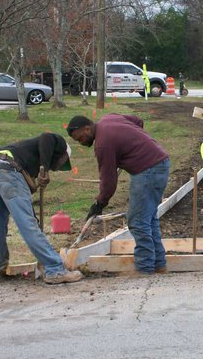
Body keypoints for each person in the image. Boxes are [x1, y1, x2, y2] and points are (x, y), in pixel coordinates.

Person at [66, 114, 170, 274]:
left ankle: (145, 268)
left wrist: (99, 203)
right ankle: (159, 265)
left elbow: (108, 181)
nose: (81, 142)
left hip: (148, 171)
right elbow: (138, 121)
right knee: (149, 219)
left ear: (86, 128)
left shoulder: (103, 145)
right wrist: (131, 144)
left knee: (137, 222)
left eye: (80, 138)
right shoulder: (108, 119)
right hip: (160, 163)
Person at [0, 133, 83, 284]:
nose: (59, 167)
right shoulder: (57, 143)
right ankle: (55, 269)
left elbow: (24, 187)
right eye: (61, 163)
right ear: (61, 156)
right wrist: (45, 169)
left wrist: (39, 177)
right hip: (7, 169)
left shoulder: (27, 155)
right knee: (26, 223)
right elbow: (46, 137)